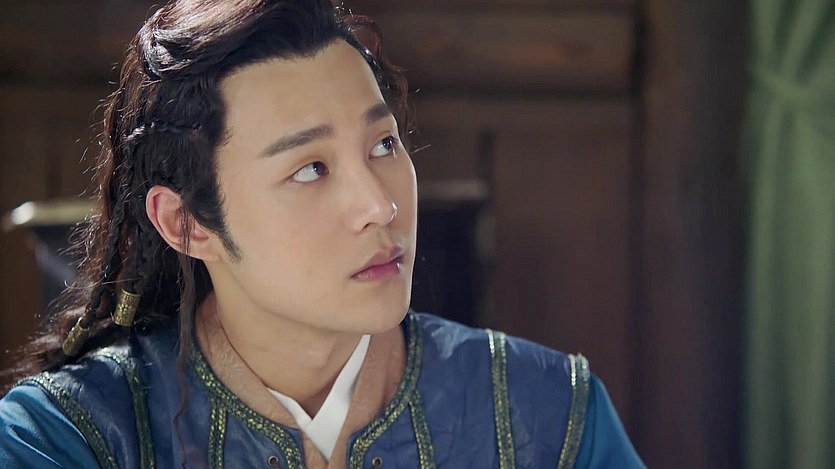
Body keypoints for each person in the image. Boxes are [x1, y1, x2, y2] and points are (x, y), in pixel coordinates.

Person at [0, 1, 645, 467]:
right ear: (186, 223)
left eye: (384, 143)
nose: (379, 206)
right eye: (310, 169)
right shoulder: (64, 440)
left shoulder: (550, 417)